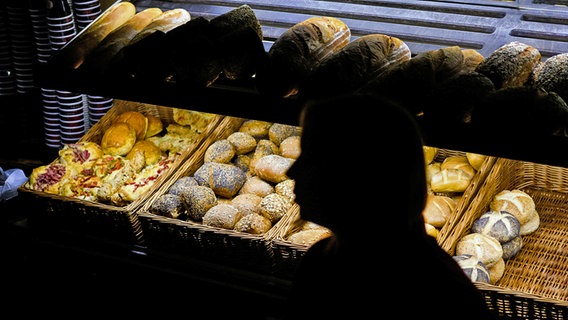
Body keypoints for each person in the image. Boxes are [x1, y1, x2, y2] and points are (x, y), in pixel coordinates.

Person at [283, 93, 499, 319]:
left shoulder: (443, 298)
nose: (292, 171)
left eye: (310, 157)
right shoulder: (323, 260)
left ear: (357, 179)